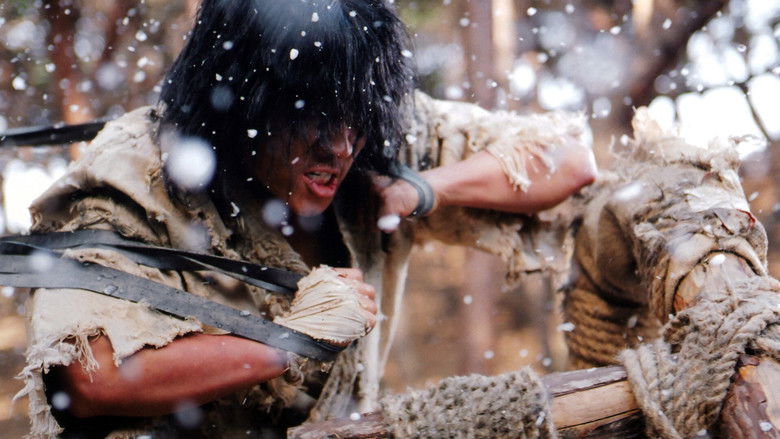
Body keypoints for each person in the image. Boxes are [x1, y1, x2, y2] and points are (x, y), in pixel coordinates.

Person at [17, 0, 597, 437]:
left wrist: (422, 189)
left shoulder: (375, 126)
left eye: (355, 118)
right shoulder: (134, 171)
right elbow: (88, 378)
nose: (340, 147)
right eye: (313, 117)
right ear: (244, 99)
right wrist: (287, 342)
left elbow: (571, 161)